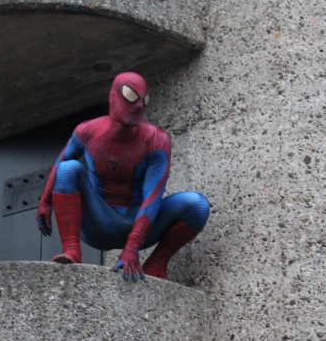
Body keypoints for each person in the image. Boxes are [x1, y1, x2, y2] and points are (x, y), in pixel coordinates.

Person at [35, 72, 210, 281]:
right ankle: (72, 249)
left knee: (197, 205)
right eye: (131, 96)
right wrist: (45, 201)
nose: (138, 106)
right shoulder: (87, 131)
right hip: (99, 223)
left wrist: (133, 247)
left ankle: (156, 263)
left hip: (137, 222)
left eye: (144, 100)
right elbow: (61, 161)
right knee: (68, 168)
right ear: (113, 97)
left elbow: (152, 196)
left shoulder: (156, 140)